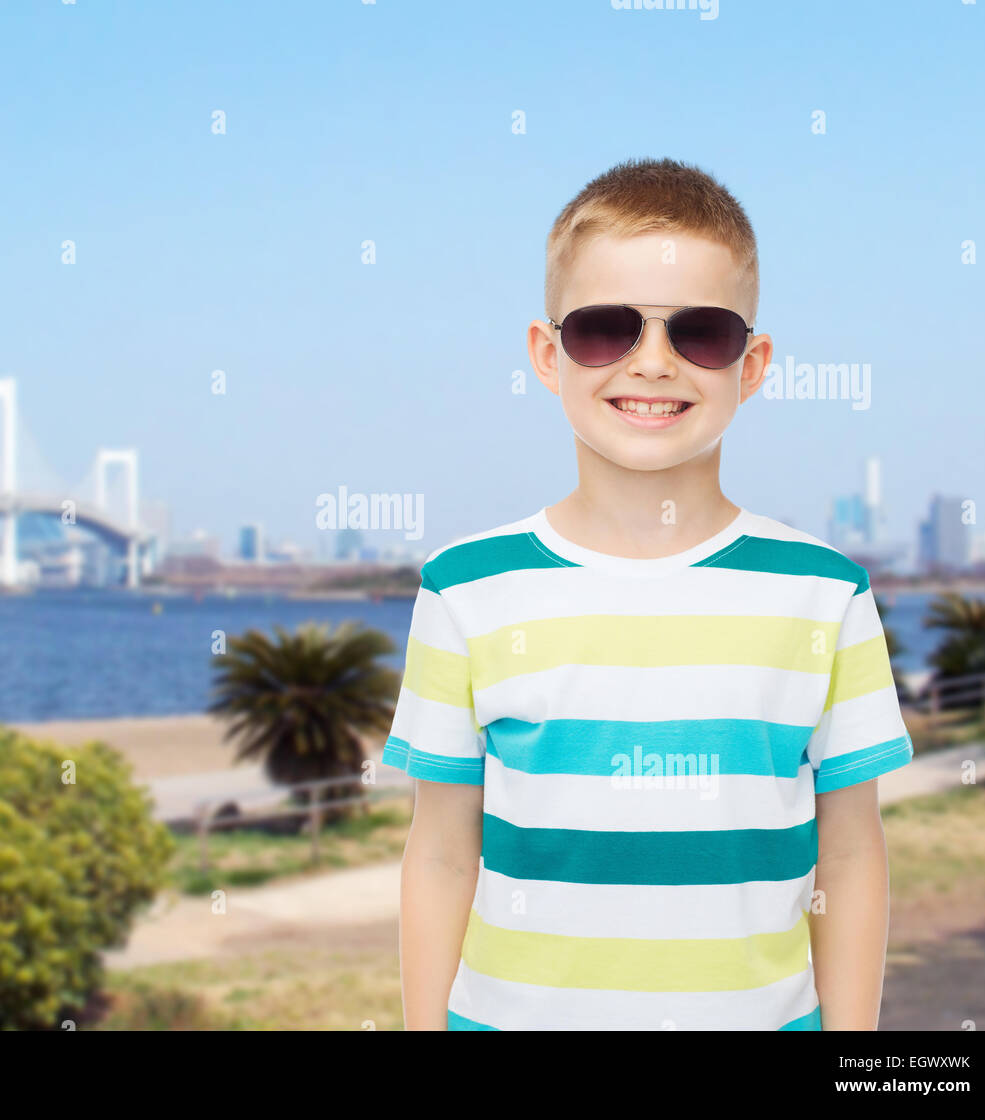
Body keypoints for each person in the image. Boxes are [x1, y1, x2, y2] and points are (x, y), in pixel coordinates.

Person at [382, 157, 913, 1031]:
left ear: (752, 364)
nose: (654, 363)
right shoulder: (464, 589)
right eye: (606, 329)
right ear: (548, 356)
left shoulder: (826, 594)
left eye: (701, 332)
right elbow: (440, 853)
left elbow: (851, 856)